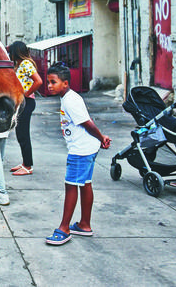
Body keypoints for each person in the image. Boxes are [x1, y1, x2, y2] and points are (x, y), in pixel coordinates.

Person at [44, 62, 111, 246]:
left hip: (81, 150)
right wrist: (99, 139)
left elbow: (87, 123)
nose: (49, 85)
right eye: (48, 82)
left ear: (65, 83)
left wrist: (101, 137)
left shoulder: (71, 101)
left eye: (53, 82)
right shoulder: (68, 98)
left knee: (71, 185)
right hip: (87, 147)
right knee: (85, 183)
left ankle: (64, 228)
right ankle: (84, 225)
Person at [8, 41, 43, 176]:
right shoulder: (20, 65)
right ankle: (25, 163)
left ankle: (28, 166)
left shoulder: (26, 64)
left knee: (23, 135)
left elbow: (38, 81)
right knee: (20, 134)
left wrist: (26, 94)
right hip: (22, 102)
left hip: (26, 102)